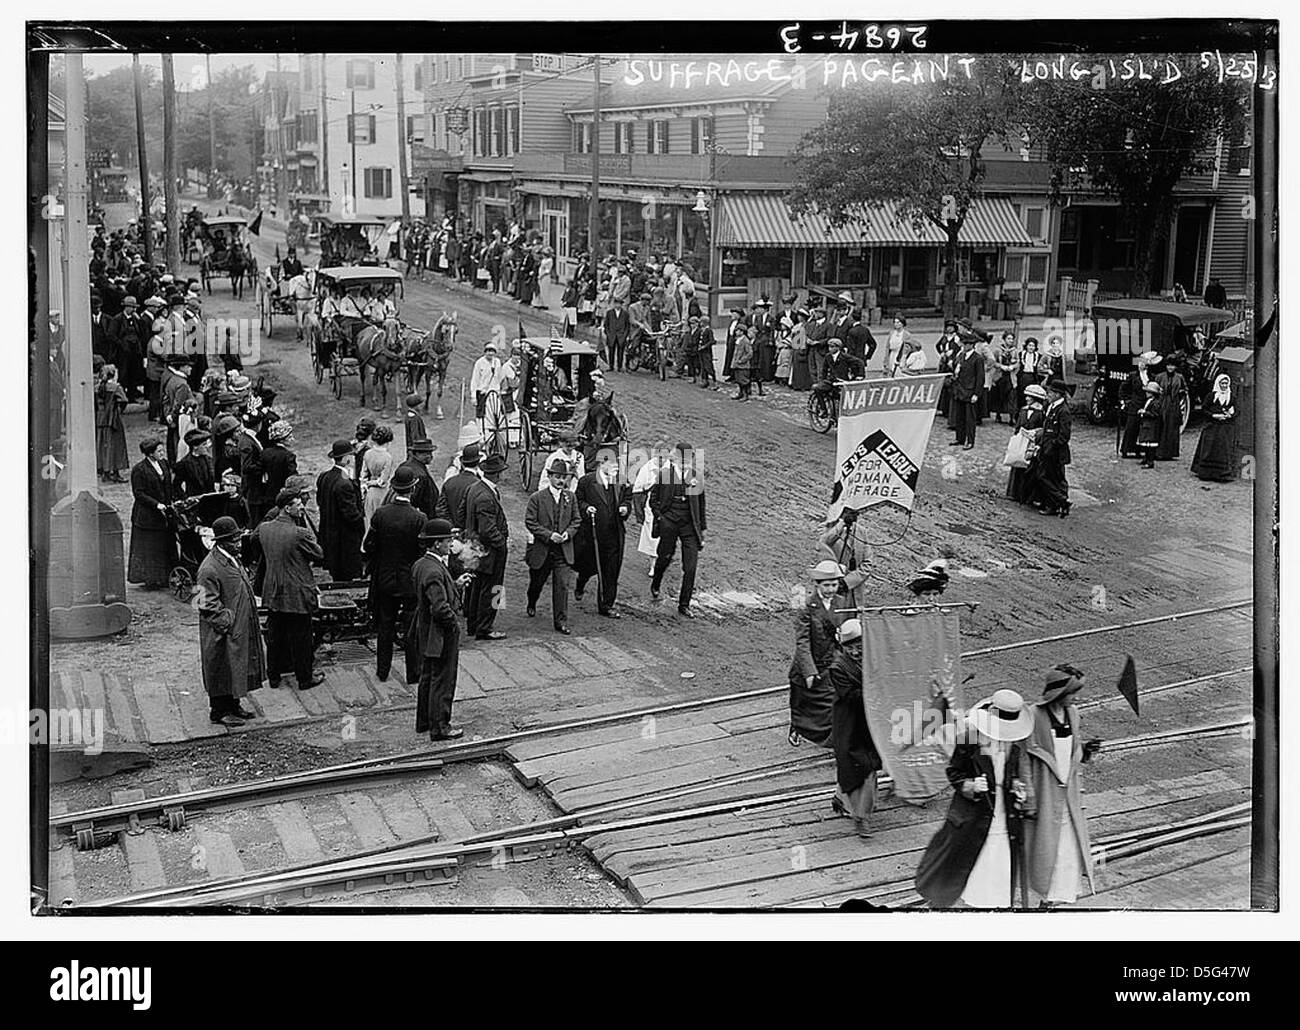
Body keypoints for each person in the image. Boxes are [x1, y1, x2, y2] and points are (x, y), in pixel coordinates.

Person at [914, 689, 1034, 909]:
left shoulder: (1013, 747)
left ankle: (996, 905)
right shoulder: (970, 739)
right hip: (974, 815)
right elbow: (954, 773)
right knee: (972, 862)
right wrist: (971, 785)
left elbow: (1010, 775)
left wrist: (1016, 786)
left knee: (1000, 861)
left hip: (1003, 816)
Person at [1024, 665, 1100, 907]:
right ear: (1058, 693)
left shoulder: (1073, 714)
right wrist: (1028, 798)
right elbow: (1023, 758)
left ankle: (1055, 900)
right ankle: (1043, 899)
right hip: (1045, 793)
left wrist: (1086, 751)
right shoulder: (1034, 716)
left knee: (1068, 849)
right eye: (1072, 692)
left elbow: (1072, 750)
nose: (1076, 698)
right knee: (1047, 851)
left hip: (1069, 796)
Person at [195, 516, 266, 726]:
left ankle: (233, 706)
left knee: (235, 667)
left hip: (238, 627)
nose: (238, 543)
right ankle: (219, 712)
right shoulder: (209, 568)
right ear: (222, 542)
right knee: (221, 668)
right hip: (223, 631)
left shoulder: (231, 558)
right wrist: (228, 622)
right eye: (234, 540)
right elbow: (204, 604)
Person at [255, 489, 326, 691]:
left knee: (275, 634)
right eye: (298, 504)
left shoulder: (265, 529)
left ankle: (274, 676)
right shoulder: (299, 533)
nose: (302, 506)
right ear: (288, 508)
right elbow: (319, 555)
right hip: (296, 592)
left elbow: (253, 541)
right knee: (301, 637)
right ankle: (304, 679)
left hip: (273, 589)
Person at [363, 467, 426, 684]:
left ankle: (382, 670)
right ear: (413, 489)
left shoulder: (381, 514)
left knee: (385, 626)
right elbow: (421, 553)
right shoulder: (419, 518)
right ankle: (413, 673)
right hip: (409, 581)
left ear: (393, 487)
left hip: (385, 579)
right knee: (411, 628)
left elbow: (368, 545)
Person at [411, 518, 471, 741]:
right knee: (443, 680)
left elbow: (433, 596)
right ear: (437, 544)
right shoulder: (435, 571)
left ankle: (424, 722)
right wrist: (454, 624)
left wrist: (454, 585)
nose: (451, 544)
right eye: (448, 540)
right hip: (440, 634)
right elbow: (439, 608)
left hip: (425, 631)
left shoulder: (422, 565)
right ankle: (440, 727)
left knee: (428, 677)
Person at [828, 618, 882, 839]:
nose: (855, 651)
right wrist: (878, 688)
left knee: (865, 764)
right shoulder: (838, 668)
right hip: (850, 722)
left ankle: (841, 797)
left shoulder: (874, 660)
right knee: (862, 766)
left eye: (859, 646)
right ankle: (861, 816)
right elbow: (851, 697)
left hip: (871, 721)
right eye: (850, 647)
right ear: (843, 648)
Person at [787, 560, 848, 748]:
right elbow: (803, 641)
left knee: (832, 703)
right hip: (811, 663)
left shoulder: (842, 602)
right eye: (827, 585)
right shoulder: (806, 606)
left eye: (834, 584)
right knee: (803, 703)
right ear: (817, 585)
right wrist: (809, 671)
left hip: (832, 663)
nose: (831, 589)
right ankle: (797, 728)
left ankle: (833, 738)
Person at [649, 442, 707, 618]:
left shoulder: (696, 476)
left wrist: (702, 529)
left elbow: (701, 505)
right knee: (664, 557)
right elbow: (653, 499)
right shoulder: (664, 475)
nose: (684, 462)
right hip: (670, 523)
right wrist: (661, 517)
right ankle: (656, 581)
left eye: (688, 459)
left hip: (689, 526)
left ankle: (684, 604)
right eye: (682, 458)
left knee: (690, 567)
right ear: (675, 459)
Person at [524, 461, 583, 634]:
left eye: (563, 477)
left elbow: (576, 520)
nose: (560, 480)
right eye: (556, 477)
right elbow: (530, 522)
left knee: (562, 585)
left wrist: (567, 534)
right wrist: (549, 535)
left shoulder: (570, 498)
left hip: (563, 551)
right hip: (543, 549)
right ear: (549, 477)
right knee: (537, 582)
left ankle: (561, 621)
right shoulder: (537, 498)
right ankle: (532, 601)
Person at [573, 452, 631, 618]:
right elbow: (579, 500)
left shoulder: (621, 482)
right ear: (601, 464)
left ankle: (606, 605)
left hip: (614, 534)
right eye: (612, 464)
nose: (616, 468)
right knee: (588, 566)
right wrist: (586, 508)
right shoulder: (586, 481)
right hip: (591, 535)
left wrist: (625, 508)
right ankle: (581, 582)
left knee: (611, 571)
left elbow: (628, 498)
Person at [463, 453, 510, 641]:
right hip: (489, 551)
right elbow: (487, 530)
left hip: (475, 548)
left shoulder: (474, 488)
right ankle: (486, 628)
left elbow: (462, 514)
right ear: (497, 474)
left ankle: (473, 625)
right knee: (494, 589)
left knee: (477, 587)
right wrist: (502, 544)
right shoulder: (485, 496)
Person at [128, 436, 175, 588]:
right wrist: (156, 505)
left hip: (163, 513)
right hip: (147, 516)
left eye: (162, 450)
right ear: (150, 453)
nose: (162, 453)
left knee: (164, 545)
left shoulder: (164, 464)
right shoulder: (139, 470)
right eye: (159, 451)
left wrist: (169, 502)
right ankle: (151, 579)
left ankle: (165, 575)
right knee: (150, 548)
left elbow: (168, 485)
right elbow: (139, 493)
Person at [316, 439, 365, 581]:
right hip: (344, 539)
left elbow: (320, 501)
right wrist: (361, 526)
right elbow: (351, 515)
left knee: (336, 573)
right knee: (348, 576)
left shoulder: (324, 477)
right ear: (346, 458)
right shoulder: (344, 483)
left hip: (328, 534)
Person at [1036, 380, 1074, 516]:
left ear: (1059, 394)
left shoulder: (1063, 411)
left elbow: (1064, 435)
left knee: (1047, 477)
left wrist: (1052, 446)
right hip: (1046, 448)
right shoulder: (1051, 407)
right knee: (1049, 477)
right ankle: (1056, 502)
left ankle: (1058, 502)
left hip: (1055, 452)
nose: (1048, 394)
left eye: (1051, 392)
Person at [1191, 374, 1239, 481]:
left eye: (1226, 383)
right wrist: (1213, 415)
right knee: (1209, 449)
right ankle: (1206, 473)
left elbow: (1236, 411)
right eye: (1222, 383)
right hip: (1212, 426)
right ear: (1218, 384)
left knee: (1223, 450)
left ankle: (1222, 474)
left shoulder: (1231, 397)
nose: (1224, 386)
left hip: (1224, 428)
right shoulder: (1211, 396)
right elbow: (1204, 409)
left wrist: (1229, 416)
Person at [1006, 384, 1047, 505]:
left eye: (1029, 396)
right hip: (1021, 442)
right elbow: (1018, 426)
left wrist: (1035, 437)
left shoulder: (1041, 413)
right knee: (1018, 464)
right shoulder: (1023, 410)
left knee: (1030, 468)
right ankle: (1015, 493)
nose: (1027, 398)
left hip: (1032, 443)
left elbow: (1042, 429)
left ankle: (1028, 496)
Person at [1119, 352, 1160, 458]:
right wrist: (1123, 400)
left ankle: (1139, 450)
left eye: (1143, 363)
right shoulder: (1133, 375)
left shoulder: (1151, 376)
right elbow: (1123, 387)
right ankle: (1126, 450)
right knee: (1131, 427)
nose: (1141, 365)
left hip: (1146, 405)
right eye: (1140, 363)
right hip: (1135, 405)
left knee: (1142, 429)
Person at [949, 334, 985, 450]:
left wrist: (976, 394)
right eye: (963, 344)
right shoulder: (961, 356)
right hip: (960, 390)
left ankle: (970, 440)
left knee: (970, 418)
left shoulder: (977, 358)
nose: (964, 346)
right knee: (959, 416)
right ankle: (959, 438)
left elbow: (980, 378)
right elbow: (957, 370)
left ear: (972, 345)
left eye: (966, 344)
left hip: (970, 392)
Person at [389, 436, 440, 518]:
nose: (430, 456)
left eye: (430, 453)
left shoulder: (405, 465)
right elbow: (414, 500)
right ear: (417, 454)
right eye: (426, 453)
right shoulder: (420, 475)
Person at [95, 364, 129, 482]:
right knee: (115, 446)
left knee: (102, 446)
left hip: (99, 419)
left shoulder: (97, 387)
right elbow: (124, 400)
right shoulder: (116, 387)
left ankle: (104, 471)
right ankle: (115, 472)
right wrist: (118, 410)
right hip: (112, 419)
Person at [439, 442, 482, 528]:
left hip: (453, 532)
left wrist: (452, 527)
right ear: (478, 463)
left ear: (462, 463)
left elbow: (441, 510)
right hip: (472, 533)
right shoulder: (480, 486)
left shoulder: (449, 482)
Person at [360, 424, 394, 529]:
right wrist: (371, 483)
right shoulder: (388, 457)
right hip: (382, 493)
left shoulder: (368, 453)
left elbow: (363, 476)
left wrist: (365, 485)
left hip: (369, 493)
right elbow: (382, 481)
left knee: (369, 522)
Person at [1156, 355, 1188, 461]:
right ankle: (1158, 452)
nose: (1170, 368)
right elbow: (1154, 389)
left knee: (1171, 428)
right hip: (1162, 403)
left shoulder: (1179, 377)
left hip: (1174, 404)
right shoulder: (1160, 377)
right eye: (1169, 365)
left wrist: (1181, 392)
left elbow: (1185, 389)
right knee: (1160, 426)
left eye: (1172, 366)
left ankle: (1170, 452)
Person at [173, 428, 215, 499]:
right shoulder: (185, 463)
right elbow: (176, 485)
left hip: (210, 500)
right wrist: (186, 498)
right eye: (204, 445)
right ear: (195, 447)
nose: (207, 447)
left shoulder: (209, 460)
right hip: (195, 502)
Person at [990, 332, 1019, 423]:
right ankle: (998, 414)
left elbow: (1018, 363)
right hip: (1000, 376)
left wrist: (1013, 367)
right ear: (1004, 339)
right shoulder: (998, 350)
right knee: (999, 395)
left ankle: (1011, 417)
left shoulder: (1015, 351)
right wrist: (1001, 366)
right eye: (1008, 339)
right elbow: (993, 362)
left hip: (1010, 376)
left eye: (1012, 339)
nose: (1010, 341)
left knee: (1011, 396)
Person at [1136, 380, 1163, 470]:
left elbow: (1155, 414)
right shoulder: (1149, 401)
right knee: (1146, 444)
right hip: (1147, 425)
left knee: (1150, 445)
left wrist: (1145, 412)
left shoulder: (1156, 403)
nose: (1146, 393)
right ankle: (1146, 459)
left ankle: (1150, 461)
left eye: (1148, 392)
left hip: (1152, 426)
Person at [603, 297, 631, 373]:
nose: (618, 305)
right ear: (614, 304)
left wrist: (625, 335)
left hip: (621, 335)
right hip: (611, 334)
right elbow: (606, 324)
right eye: (616, 303)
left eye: (619, 304)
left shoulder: (625, 313)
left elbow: (627, 325)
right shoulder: (609, 313)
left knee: (620, 351)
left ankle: (619, 366)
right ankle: (611, 366)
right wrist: (608, 333)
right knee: (611, 351)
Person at [788, 309, 811, 391]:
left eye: (800, 316)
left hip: (802, 347)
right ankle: (796, 384)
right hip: (795, 347)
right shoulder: (797, 326)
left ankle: (803, 385)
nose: (799, 317)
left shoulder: (807, 326)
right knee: (796, 367)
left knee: (802, 368)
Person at [730, 326, 756, 401]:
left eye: (738, 331)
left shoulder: (745, 341)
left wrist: (742, 360)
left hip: (743, 365)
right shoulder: (738, 340)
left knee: (743, 380)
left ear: (742, 332)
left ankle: (745, 395)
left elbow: (750, 353)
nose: (736, 332)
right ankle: (741, 393)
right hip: (737, 364)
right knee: (738, 379)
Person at [1016, 337, 1042, 410]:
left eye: (1033, 346)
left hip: (1033, 377)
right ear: (1026, 346)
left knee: (1032, 395)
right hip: (1023, 377)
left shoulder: (1038, 356)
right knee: (1021, 395)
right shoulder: (1021, 354)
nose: (1031, 347)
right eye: (1029, 345)